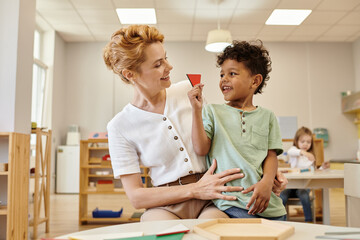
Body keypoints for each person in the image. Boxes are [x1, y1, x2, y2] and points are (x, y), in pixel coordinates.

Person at [103, 25, 288, 221]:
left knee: (213, 231)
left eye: (166, 58)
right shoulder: (119, 126)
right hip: (166, 204)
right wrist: (196, 190)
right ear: (130, 74)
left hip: (214, 199)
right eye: (158, 64)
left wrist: (268, 176)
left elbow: (229, 140)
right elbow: (137, 197)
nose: (169, 66)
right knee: (157, 229)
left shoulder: (188, 91)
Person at [188, 40, 286, 220]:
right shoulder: (212, 112)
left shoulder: (268, 116)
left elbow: (271, 155)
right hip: (232, 204)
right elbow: (201, 148)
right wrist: (196, 110)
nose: (224, 79)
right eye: (221, 74)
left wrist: (266, 183)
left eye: (232, 74)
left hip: (270, 206)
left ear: (255, 81)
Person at [280, 126, 316, 223]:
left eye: (308, 142)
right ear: (296, 141)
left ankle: (309, 220)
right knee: (282, 195)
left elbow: (312, 169)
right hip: (291, 185)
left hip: (303, 186)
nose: (305, 144)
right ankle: (281, 220)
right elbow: (291, 151)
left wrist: (321, 168)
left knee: (303, 194)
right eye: (302, 141)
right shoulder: (294, 151)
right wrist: (303, 152)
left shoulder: (310, 155)